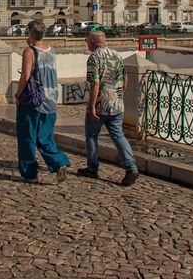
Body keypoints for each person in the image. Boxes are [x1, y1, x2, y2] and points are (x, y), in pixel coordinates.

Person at [77, 30, 139, 186]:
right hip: (116, 104)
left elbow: (95, 83)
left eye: (87, 40)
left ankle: (92, 168)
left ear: (91, 41)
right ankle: (131, 168)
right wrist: (119, 96)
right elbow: (125, 78)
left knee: (91, 136)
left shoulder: (94, 58)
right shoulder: (116, 55)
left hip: (100, 104)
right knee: (118, 136)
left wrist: (92, 106)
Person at [15, 19, 70, 184]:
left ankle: (30, 173)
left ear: (31, 34)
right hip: (51, 99)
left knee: (27, 137)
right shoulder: (52, 51)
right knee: (45, 137)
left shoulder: (29, 51)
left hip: (34, 101)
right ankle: (59, 163)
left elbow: (25, 76)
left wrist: (18, 95)